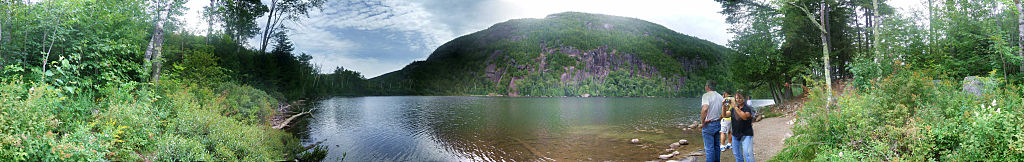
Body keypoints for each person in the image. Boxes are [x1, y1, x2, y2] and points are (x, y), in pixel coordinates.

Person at [698, 80, 724, 162]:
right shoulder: (720, 96)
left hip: (709, 124)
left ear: (707, 87)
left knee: (709, 149)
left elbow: (705, 109)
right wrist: (719, 117)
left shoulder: (706, 96)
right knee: (716, 147)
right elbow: (724, 110)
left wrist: (702, 122)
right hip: (717, 123)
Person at [731, 90, 755, 162]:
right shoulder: (733, 109)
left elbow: (744, 117)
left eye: (740, 98)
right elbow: (724, 115)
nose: (738, 100)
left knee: (747, 153)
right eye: (737, 98)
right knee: (737, 154)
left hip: (746, 134)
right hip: (735, 134)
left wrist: (735, 107)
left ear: (744, 98)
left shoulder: (748, 108)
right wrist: (723, 106)